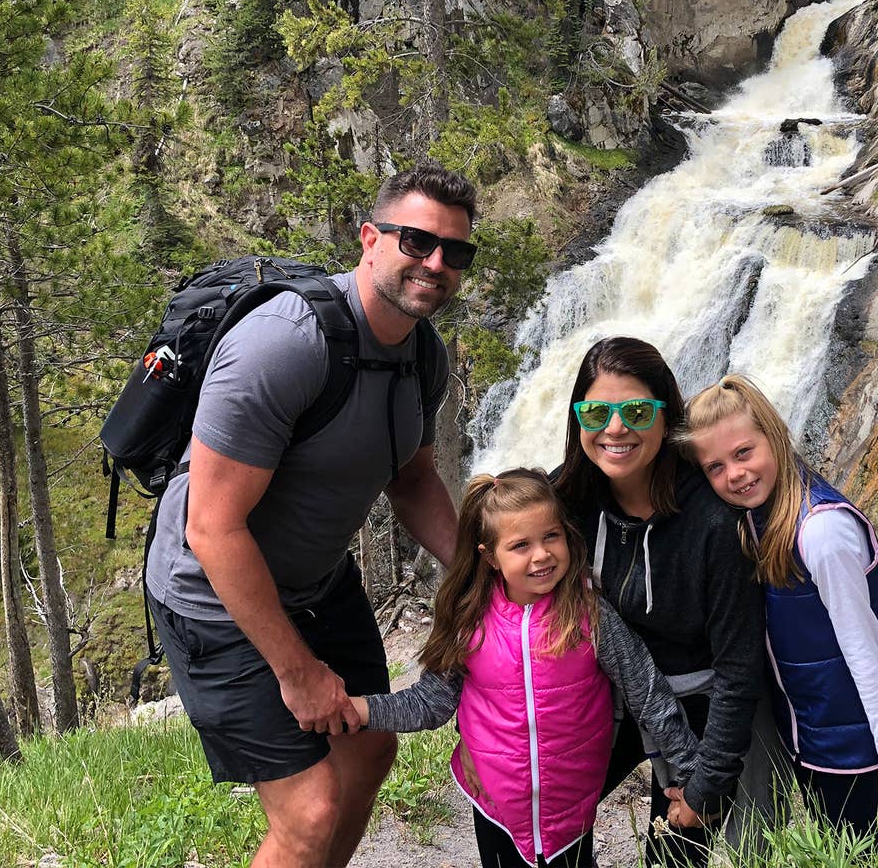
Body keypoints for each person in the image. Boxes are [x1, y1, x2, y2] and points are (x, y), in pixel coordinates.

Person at [143, 163, 478, 868]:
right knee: (309, 809)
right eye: (417, 241)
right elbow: (210, 528)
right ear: (369, 238)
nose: (436, 263)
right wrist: (296, 672)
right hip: (212, 594)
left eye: (456, 252)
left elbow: (414, 481)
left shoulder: (424, 355)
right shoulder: (285, 343)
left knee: (367, 755)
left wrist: (484, 573)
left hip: (318, 581)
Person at [350, 468, 701, 868]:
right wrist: (360, 711)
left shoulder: (587, 614)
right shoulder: (470, 620)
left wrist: (694, 776)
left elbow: (648, 691)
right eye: (520, 545)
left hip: (570, 812)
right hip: (494, 806)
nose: (541, 555)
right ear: (489, 557)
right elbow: (431, 703)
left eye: (551, 536)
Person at [551, 337, 765, 867]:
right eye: (597, 410)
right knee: (544, 824)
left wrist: (707, 783)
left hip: (697, 711)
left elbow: (739, 670)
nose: (616, 428)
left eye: (638, 411)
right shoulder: (565, 504)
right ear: (579, 419)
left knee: (675, 855)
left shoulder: (713, 522)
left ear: (666, 419)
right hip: (607, 695)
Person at [685, 373, 878, 836]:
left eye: (744, 452)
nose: (735, 474)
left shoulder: (821, 532)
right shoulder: (758, 517)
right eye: (715, 466)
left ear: (775, 436)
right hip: (815, 745)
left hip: (858, 754)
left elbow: (865, 652)